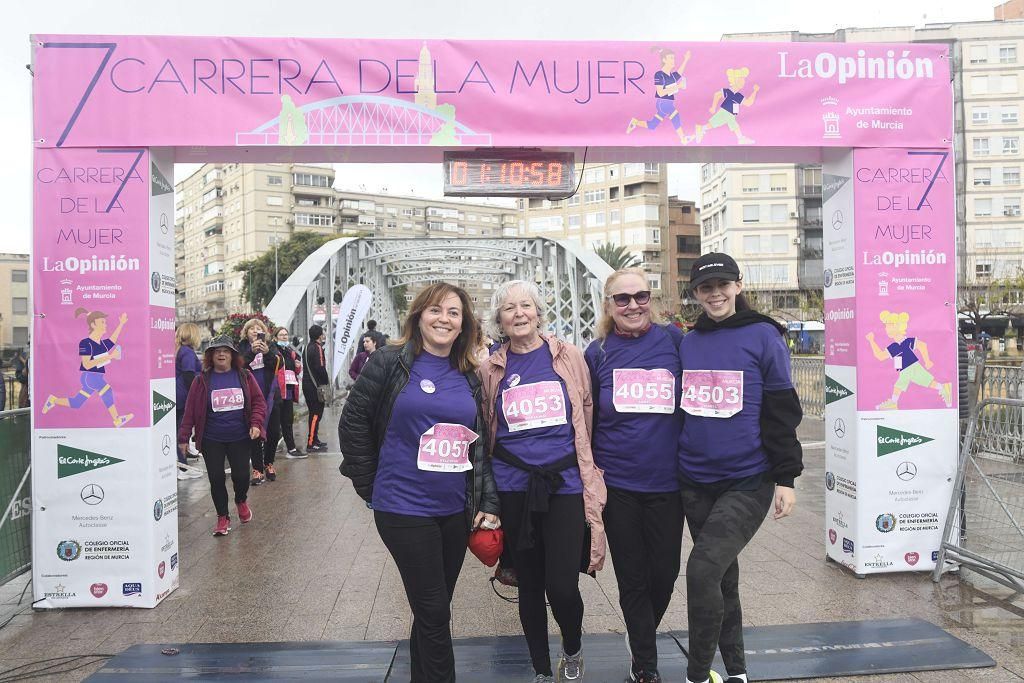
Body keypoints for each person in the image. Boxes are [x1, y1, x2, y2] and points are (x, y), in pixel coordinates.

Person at [338, 282, 499, 683]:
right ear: (418, 316)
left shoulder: (468, 374)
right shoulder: (391, 361)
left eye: (454, 313)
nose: (444, 319)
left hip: (453, 510)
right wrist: (370, 485)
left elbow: (479, 446)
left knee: (434, 607)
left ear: (464, 324)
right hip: (403, 508)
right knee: (434, 610)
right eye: (435, 310)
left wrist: (487, 501)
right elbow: (353, 422)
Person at [677, 253, 803, 683]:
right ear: (695, 294)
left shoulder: (764, 335)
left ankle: (696, 675)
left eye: (723, 285)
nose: (715, 294)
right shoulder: (688, 342)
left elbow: (782, 410)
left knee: (701, 570)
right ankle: (737, 673)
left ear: (738, 286)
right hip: (694, 481)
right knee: (722, 580)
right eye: (706, 288)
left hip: (748, 480)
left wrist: (787, 477)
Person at [479, 279, 607, 683]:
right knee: (529, 583)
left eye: (526, 306)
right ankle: (539, 668)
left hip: (565, 483)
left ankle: (572, 646)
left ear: (538, 312)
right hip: (513, 485)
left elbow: (585, 408)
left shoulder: (568, 356)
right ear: (498, 319)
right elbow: (486, 421)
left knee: (563, 586)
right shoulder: (490, 366)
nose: (519, 314)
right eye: (509, 308)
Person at [585, 268, 684, 683]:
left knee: (664, 575)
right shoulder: (597, 353)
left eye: (640, 296)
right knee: (632, 576)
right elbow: (585, 415)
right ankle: (645, 664)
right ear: (609, 305)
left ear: (651, 298)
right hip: (619, 484)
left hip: (669, 482)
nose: (632, 306)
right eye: (621, 299)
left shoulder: (675, 341)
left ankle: (638, 632)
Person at [177, 336, 267, 536]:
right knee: (216, 478)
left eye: (225, 351)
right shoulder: (202, 380)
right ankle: (222, 516)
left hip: (240, 437)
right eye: (216, 351)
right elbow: (190, 411)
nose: (221, 354)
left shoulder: (244, 376)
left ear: (232, 355)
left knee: (241, 476)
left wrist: (256, 424)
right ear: (210, 356)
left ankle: (241, 500)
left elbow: (259, 402)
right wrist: (183, 438)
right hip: (212, 439)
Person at [42, 308, 133, 427]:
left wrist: (121, 323)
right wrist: (110, 356)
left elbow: (113, 340)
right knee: (107, 391)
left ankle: (53, 400)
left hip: (95, 377)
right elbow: (87, 364)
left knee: (76, 403)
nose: (105, 325)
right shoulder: (85, 343)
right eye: (102, 322)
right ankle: (116, 420)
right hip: (90, 377)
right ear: (93, 324)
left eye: (105, 322)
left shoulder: (102, 343)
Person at [865, 310, 953, 410]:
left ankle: (893, 403)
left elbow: (922, 345)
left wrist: (927, 361)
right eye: (886, 326)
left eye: (889, 325)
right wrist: (871, 341)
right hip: (907, 368)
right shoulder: (894, 346)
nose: (886, 329)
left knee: (901, 384)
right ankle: (943, 388)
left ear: (898, 327)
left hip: (910, 367)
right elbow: (880, 356)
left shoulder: (905, 342)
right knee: (926, 382)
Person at [239, 318, 282, 484]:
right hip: (252, 398)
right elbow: (238, 365)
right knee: (254, 432)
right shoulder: (242, 348)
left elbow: (280, 363)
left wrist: (267, 353)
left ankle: (269, 463)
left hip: (271, 396)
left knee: (273, 433)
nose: (255, 331)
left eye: (259, 328)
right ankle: (257, 469)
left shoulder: (270, 346)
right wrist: (251, 352)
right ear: (246, 333)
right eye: (252, 329)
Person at [626, 47, 692, 144]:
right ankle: (683, 138)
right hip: (663, 102)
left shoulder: (672, 75)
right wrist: (678, 86)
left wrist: (686, 60)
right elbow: (660, 92)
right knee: (675, 116)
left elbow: (679, 73)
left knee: (653, 125)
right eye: (670, 58)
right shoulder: (659, 75)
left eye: (673, 58)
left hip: (668, 102)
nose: (673, 60)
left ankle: (635, 122)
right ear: (664, 60)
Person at [694, 67, 760, 145]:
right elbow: (717, 95)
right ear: (735, 81)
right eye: (741, 80)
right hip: (726, 112)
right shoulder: (730, 92)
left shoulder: (738, 95)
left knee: (717, 124)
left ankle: (701, 128)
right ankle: (740, 138)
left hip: (729, 113)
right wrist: (713, 107)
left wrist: (755, 92)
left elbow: (748, 103)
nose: (743, 82)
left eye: (743, 80)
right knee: (727, 124)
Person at [174, 323, 205, 479]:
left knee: (178, 431)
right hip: (183, 396)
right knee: (180, 432)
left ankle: (182, 466)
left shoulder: (181, 350)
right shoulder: (187, 353)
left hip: (178, 395)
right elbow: (188, 376)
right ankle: (182, 468)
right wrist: (197, 394)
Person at [274, 327, 305, 459]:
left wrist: (297, 366)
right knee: (275, 422)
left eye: (286, 335)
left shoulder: (290, 351)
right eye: (281, 335)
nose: (284, 337)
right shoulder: (273, 351)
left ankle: (291, 449)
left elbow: (295, 371)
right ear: (275, 338)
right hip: (277, 391)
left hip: (289, 390)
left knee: (288, 421)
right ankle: (269, 449)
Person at [302, 324, 330, 453]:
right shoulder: (318, 348)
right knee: (315, 414)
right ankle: (311, 442)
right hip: (315, 386)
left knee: (314, 413)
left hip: (307, 384)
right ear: (320, 335)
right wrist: (326, 382)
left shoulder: (307, 347)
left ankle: (315, 439)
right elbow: (320, 367)